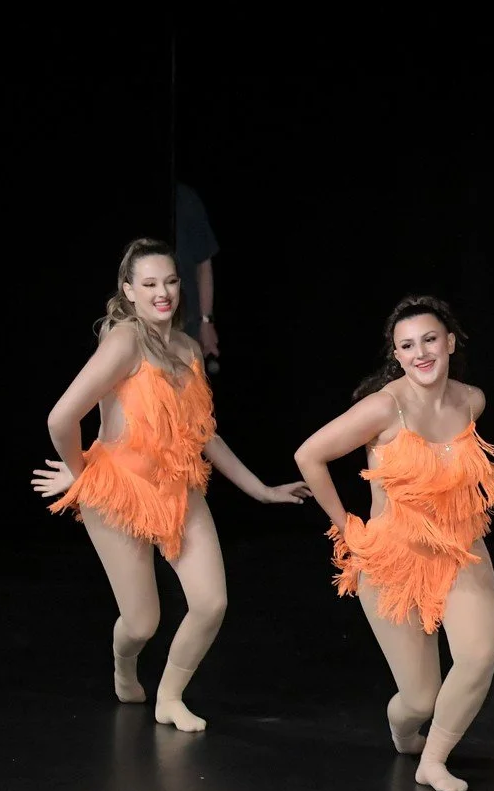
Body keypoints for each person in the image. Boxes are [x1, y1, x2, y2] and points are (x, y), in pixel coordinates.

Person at [36, 237, 308, 731]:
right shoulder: (124, 341)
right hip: (118, 491)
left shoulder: (188, 349)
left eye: (170, 281)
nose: (162, 292)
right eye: (149, 284)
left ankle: (169, 696)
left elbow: (204, 435)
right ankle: (124, 665)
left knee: (211, 603)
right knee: (142, 623)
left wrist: (261, 490)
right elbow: (61, 418)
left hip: (177, 488)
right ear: (128, 290)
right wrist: (81, 473)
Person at [294, 298, 494, 791]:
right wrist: (347, 528)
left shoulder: (471, 401)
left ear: (449, 342)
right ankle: (405, 732)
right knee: (420, 699)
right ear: (397, 355)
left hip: (460, 548)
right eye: (407, 346)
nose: (421, 353)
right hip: (393, 558)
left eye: (430, 340)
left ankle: (433, 761)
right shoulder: (383, 408)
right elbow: (309, 456)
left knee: (479, 656)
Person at [173, 183, 220, 362]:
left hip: (186, 325)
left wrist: (206, 321)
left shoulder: (185, 199)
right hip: (142, 328)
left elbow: (204, 262)